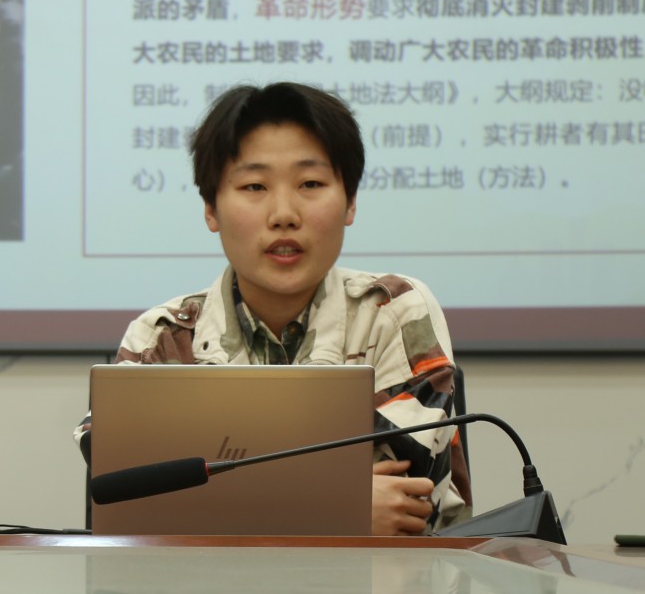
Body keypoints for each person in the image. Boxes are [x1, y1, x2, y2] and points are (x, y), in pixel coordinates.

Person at [74, 82, 471, 535]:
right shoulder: (162, 337)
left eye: (310, 184)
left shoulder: (392, 310)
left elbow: (404, 501)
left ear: (350, 201)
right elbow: (131, 496)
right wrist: (335, 505)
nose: (284, 214)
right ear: (210, 209)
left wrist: (218, 503)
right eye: (255, 186)